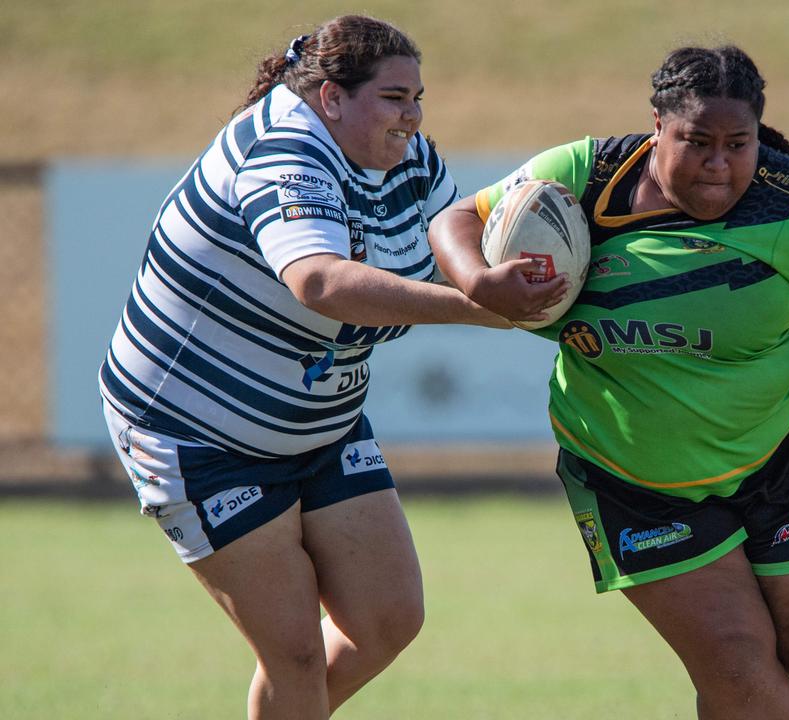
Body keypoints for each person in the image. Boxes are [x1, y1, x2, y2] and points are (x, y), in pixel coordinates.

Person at [429, 45, 789, 719]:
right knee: (734, 659)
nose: (718, 164)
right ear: (657, 129)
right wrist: (477, 279)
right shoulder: (584, 177)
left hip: (777, 461)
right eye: (696, 142)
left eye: (738, 144)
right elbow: (455, 219)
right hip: (631, 481)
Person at [97, 15, 562, 719]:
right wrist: (482, 308)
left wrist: (506, 281)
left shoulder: (409, 158)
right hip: (195, 435)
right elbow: (319, 282)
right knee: (294, 654)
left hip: (319, 423)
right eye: (393, 97)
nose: (412, 116)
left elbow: (454, 236)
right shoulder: (286, 151)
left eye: (417, 98)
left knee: (386, 620)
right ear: (332, 98)